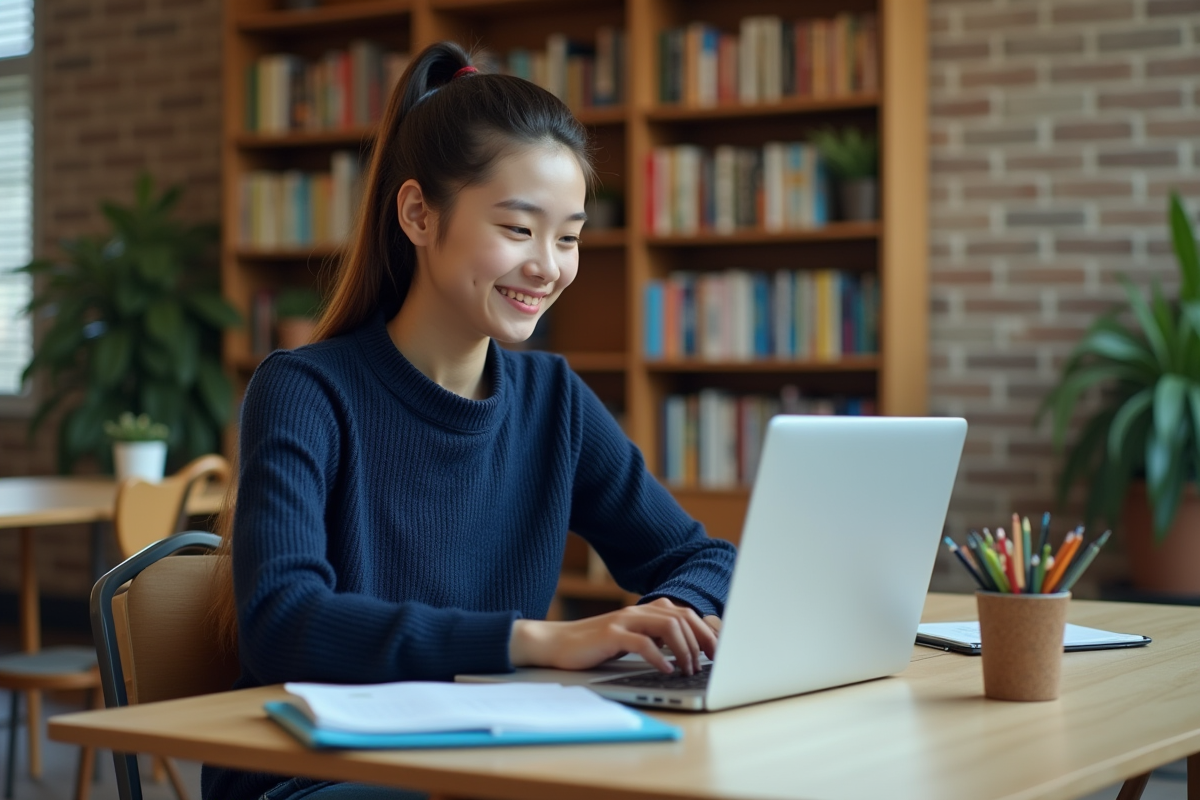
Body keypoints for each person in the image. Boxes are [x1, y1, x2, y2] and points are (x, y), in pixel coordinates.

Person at [203, 41, 737, 800]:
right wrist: (537, 642)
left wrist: (671, 614)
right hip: (317, 772)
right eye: (519, 229)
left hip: (486, 756)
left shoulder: (553, 399)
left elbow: (704, 557)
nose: (548, 266)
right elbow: (282, 623)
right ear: (419, 214)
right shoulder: (304, 390)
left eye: (569, 236)